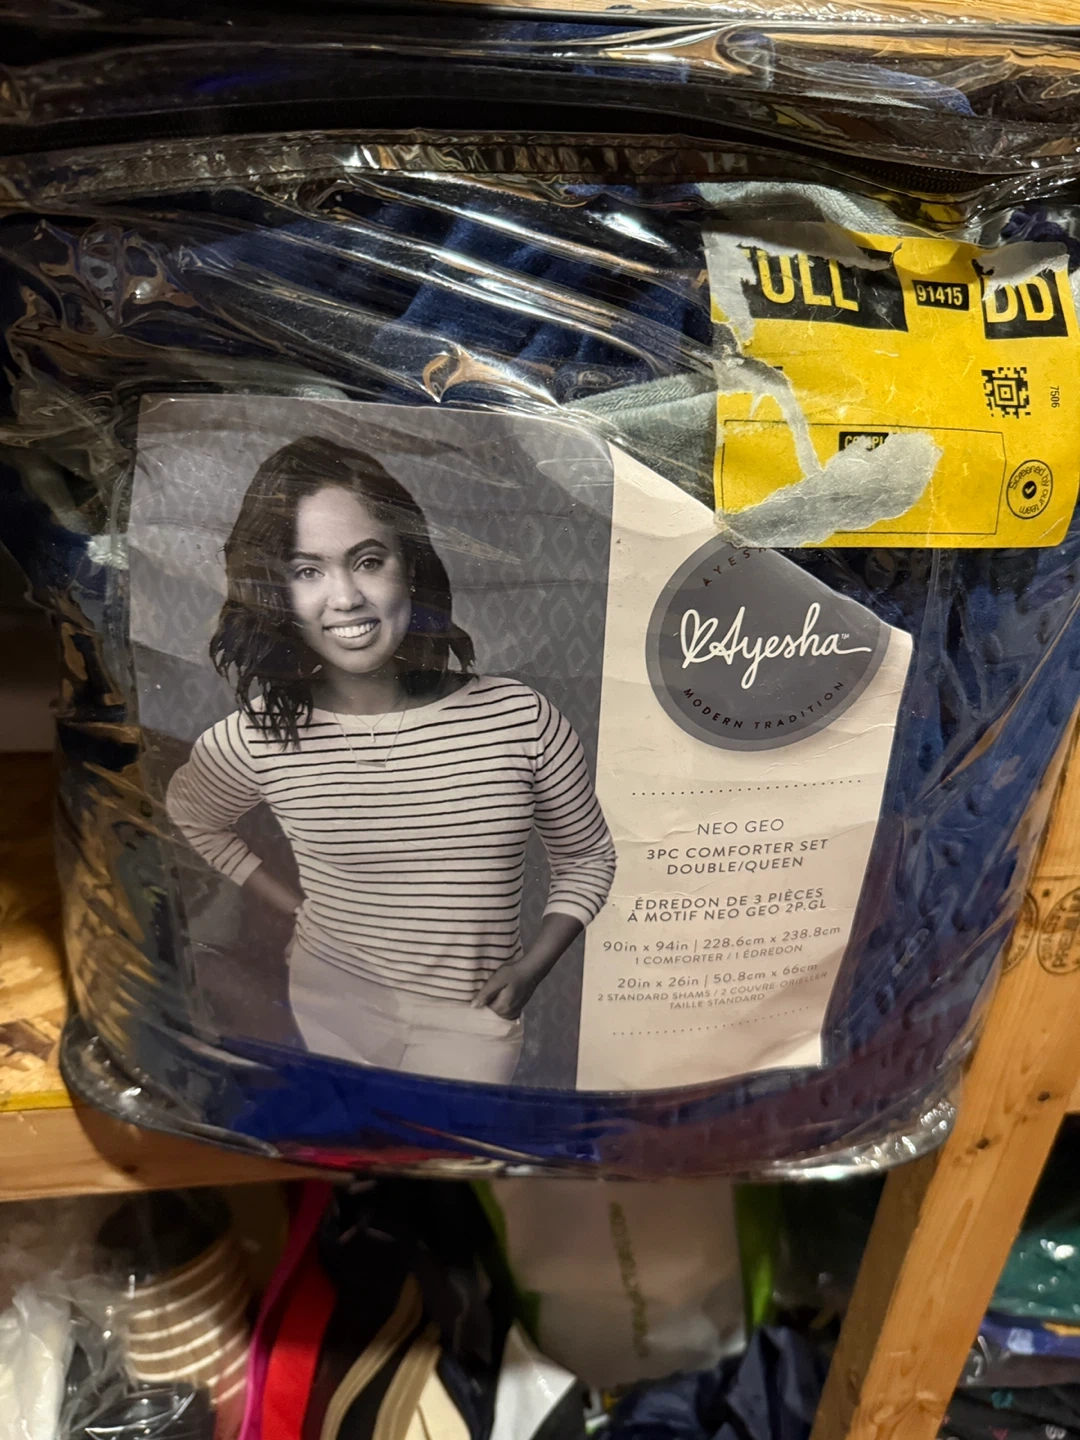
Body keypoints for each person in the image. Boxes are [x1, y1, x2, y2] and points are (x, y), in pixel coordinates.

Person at [166, 434, 616, 1084]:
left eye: (368, 560)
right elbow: (194, 817)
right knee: (357, 1138)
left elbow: (588, 857)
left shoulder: (519, 717)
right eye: (307, 571)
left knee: (451, 1142)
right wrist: (292, 908)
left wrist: (531, 969)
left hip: (472, 1021)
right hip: (329, 1002)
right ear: (274, 592)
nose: (346, 597)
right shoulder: (256, 737)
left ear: (411, 567)